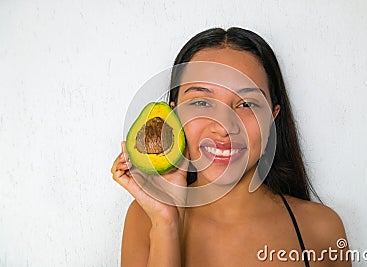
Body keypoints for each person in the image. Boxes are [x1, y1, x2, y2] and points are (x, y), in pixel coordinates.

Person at [111, 27, 351, 267]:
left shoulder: (322, 227)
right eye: (202, 102)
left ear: (273, 117)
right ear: (174, 115)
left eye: (246, 104)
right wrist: (166, 223)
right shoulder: (146, 218)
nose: (224, 126)